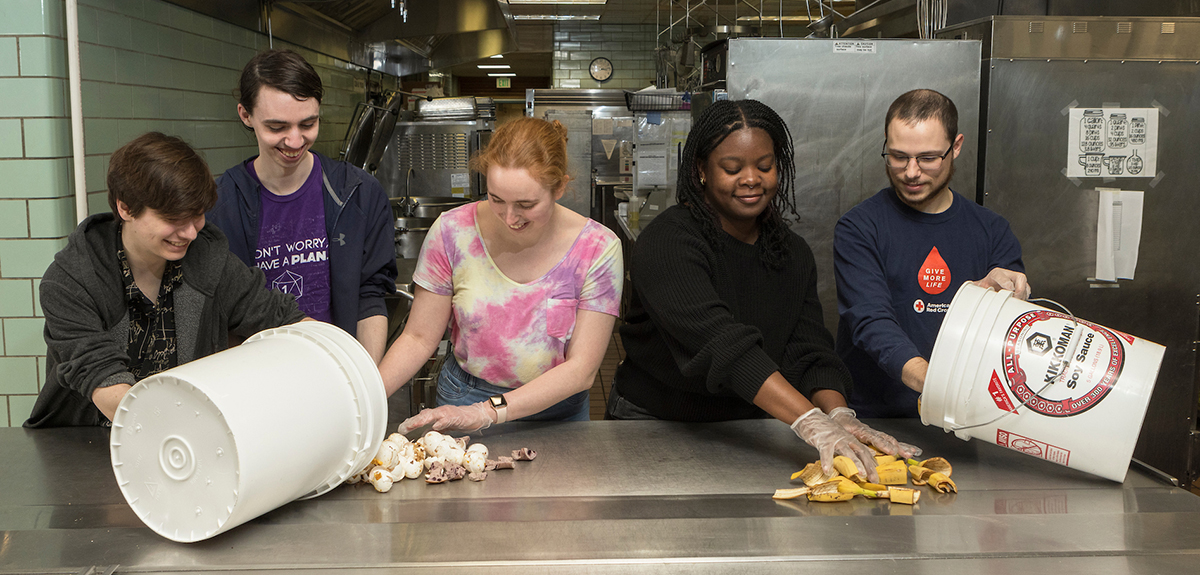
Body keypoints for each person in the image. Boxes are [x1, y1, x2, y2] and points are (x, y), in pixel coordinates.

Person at [607, 99, 918, 480]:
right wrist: (809, 420)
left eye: (765, 166)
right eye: (732, 168)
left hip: (748, 428)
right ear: (701, 171)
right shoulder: (668, 243)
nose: (751, 178)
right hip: (655, 424)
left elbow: (809, 351)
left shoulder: (791, 252)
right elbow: (723, 347)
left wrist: (837, 414)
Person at [25, 132, 307, 428]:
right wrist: (178, 434)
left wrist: (339, 354)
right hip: (85, 443)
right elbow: (103, 379)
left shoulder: (209, 258)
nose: (190, 233)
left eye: (197, 215)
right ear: (125, 208)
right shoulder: (71, 280)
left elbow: (279, 315)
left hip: (185, 437)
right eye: (173, 219)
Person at [380, 117, 622, 432]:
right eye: (496, 199)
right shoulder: (453, 231)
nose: (509, 218)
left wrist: (488, 412)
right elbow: (418, 337)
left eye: (526, 204)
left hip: (556, 411)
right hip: (464, 397)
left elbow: (581, 370)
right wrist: (363, 401)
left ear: (560, 187)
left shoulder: (597, 248)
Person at [834, 88, 1029, 418]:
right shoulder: (860, 228)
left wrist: (1005, 295)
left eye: (927, 158)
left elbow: (1011, 339)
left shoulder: (992, 231)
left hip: (968, 422)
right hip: (879, 420)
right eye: (898, 156)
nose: (911, 172)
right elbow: (872, 322)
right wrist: (937, 383)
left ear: (956, 147)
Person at [207, 49, 396, 363]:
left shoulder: (359, 193)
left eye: (307, 124)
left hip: (339, 374)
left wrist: (365, 379)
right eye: (277, 127)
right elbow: (223, 312)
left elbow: (370, 295)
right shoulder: (220, 204)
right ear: (245, 115)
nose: (294, 141)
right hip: (254, 379)